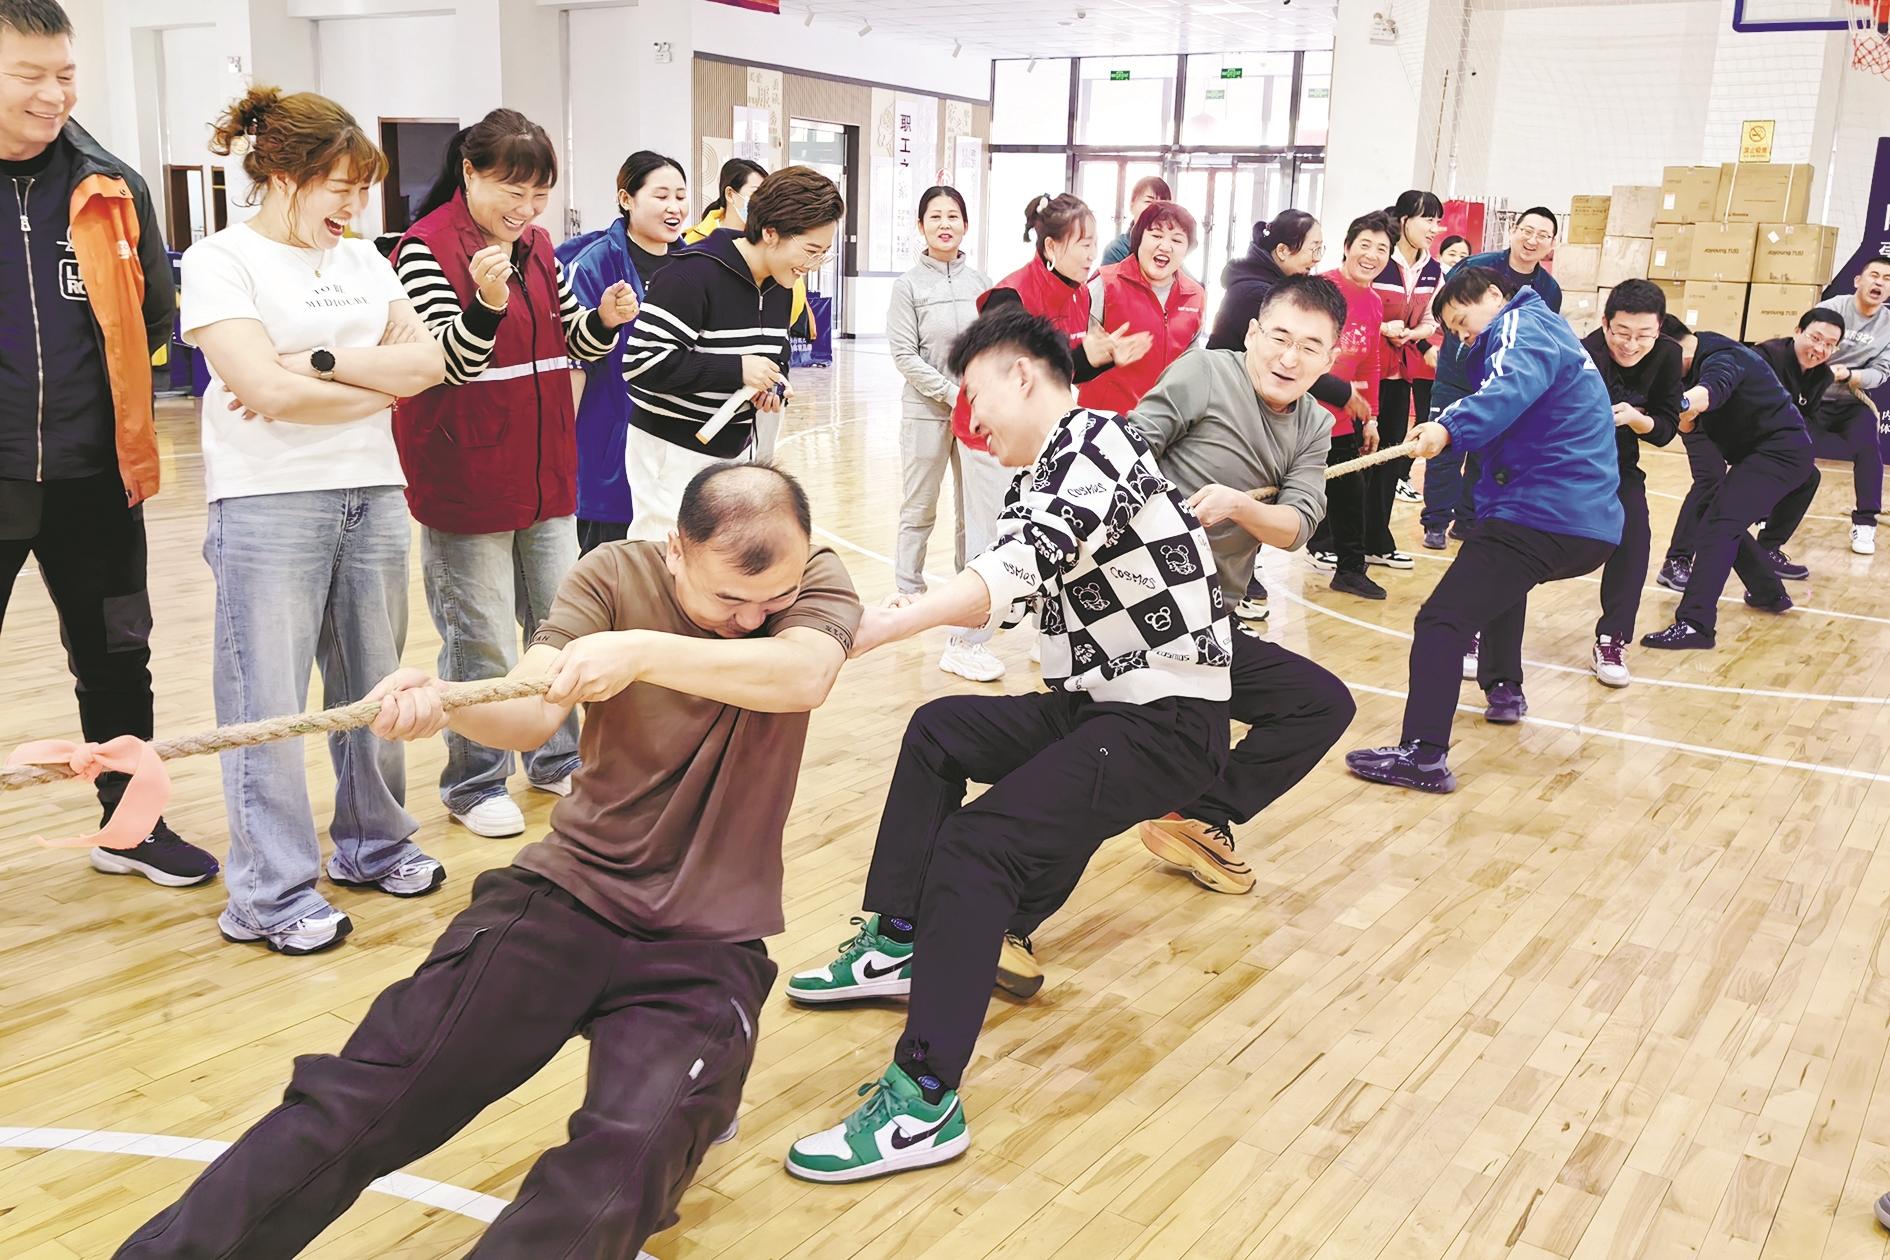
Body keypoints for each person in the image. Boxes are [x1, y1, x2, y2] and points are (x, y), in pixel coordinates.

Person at [115, 462, 862, 1260]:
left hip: (708, 945)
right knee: (368, 1100)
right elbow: (531, 709)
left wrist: (640, 652)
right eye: (729, 600)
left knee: (623, 1169)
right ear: (677, 549)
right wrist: (443, 704)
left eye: (771, 602)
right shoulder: (612, 575)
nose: (750, 620)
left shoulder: (812, 579)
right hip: (565, 897)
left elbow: (803, 674)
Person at [783, 306, 1231, 1183]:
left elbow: (1017, 567)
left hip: (1163, 720)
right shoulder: (1043, 477)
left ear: (1020, 374)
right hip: (1099, 708)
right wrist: (900, 612)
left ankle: (924, 1102)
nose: (971, 417)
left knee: (977, 847)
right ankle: (899, 939)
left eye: (975, 393)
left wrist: (885, 626)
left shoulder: (1098, 439)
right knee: (941, 731)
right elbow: (1009, 588)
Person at [182, 87, 447, 954]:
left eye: (363, 189)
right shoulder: (222, 260)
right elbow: (263, 390)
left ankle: (375, 845)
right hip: (266, 500)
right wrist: (372, 383)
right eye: (340, 187)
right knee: (265, 703)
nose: (355, 207)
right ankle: (269, 893)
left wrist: (321, 362)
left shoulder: (366, 259)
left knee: (376, 686)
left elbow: (428, 365)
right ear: (283, 176)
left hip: (373, 491)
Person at [0, 0, 218, 886]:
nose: (53, 95)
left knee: (119, 662)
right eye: (29, 75)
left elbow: (154, 315)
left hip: (97, 477)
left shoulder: (110, 187)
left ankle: (130, 828)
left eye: (65, 74)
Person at [392, 110, 638, 841]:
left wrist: (604, 319)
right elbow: (451, 362)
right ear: (469, 173)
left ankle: (555, 757)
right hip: (466, 473)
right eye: (512, 190)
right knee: (482, 641)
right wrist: (488, 302)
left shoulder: (537, 245)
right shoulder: (424, 248)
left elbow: (572, 343)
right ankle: (473, 782)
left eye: (539, 195)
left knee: (559, 629)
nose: (526, 209)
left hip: (545, 471)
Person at [1344, 265, 1618, 793]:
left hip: (1545, 512)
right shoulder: (1549, 330)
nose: (1464, 337)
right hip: (1581, 522)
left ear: (1494, 295)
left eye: (1462, 321)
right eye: (1453, 331)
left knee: (1441, 621)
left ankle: (1423, 754)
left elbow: (1510, 387)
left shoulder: (1520, 324)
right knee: (1498, 581)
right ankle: (1504, 687)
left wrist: (1449, 427)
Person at [619, 165, 843, 540]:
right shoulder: (690, 276)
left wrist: (772, 386)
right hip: (672, 451)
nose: (812, 265)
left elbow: (775, 354)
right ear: (770, 232)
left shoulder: (781, 285)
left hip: (733, 451)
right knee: (667, 560)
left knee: (722, 561)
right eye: (810, 251)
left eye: (823, 254)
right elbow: (640, 365)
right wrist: (737, 369)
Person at [1205, 208, 1360, 619]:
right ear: (1282, 251)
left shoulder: (1272, 288)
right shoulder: (1258, 295)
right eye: (1312, 249)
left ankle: (1235, 581)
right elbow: (1284, 364)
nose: (1316, 259)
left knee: (1254, 495)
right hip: (1228, 408)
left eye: (1321, 249)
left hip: (1258, 406)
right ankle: (1224, 588)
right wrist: (1343, 391)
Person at [886, 184, 1008, 683]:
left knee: (973, 513)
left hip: (976, 415)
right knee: (919, 507)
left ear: (965, 225)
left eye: (953, 215)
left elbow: (994, 345)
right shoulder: (908, 286)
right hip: (926, 412)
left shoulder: (982, 282)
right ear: (920, 226)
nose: (944, 224)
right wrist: (951, 392)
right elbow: (903, 354)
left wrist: (980, 395)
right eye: (935, 216)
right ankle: (906, 594)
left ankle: (965, 597)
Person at [1638, 318, 1816, 650]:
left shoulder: (1723, 356)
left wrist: (1678, 403)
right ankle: (1768, 593)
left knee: (1718, 525)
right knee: (1714, 514)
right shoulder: (1685, 370)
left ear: (1670, 347)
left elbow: (1711, 390)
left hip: (1781, 453)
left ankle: (1696, 624)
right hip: (1758, 455)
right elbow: (1690, 426)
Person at [559, 150, 690, 553]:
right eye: (661, 196)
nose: (674, 207)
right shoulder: (593, 263)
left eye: (681, 196)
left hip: (677, 453)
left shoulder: (696, 266)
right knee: (608, 574)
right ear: (626, 199)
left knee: (669, 571)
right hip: (609, 457)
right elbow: (573, 357)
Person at [1420, 208, 1563, 554]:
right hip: (1455, 377)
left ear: (1551, 244)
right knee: (1444, 448)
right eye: (1526, 230)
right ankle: (1436, 521)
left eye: (1542, 235)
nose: (1532, 240)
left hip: (1500, 381)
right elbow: (1445, 310)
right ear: (1513, 230)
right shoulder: (1476, 267)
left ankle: (1468, 520)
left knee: (1486, 455)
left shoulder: (1549, 289)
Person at [1578, 280, 1682, 687]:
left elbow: (1666, 427)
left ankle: (1612, 639)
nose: (1632, 345)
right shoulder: (1583, 353)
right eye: (1622, 332)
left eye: (1644, 335)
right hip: (1566, 462)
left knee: (1635, 537)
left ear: (1659, 330)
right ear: (1605, 323)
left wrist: (1640, 420)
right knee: (1527, 542)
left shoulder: (1668, 354)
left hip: (1620, 463)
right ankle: (1481, 628)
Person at [685, 157, 816, 458]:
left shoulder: (780, 255)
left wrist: (775, 376)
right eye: (756, 194)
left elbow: (785, 326)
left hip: (760, 393)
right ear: (731, 195)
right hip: (704, 414)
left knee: (760, 465)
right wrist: (738, 367)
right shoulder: (695, 249)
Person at [1308, 211, 1394, 600]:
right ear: (1346, 247)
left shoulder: (1374, 302)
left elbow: (1370, 361)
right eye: (1365, 245)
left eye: (1382, 249)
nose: (1371, 255)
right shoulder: (1321, 289)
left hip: (1343, 418)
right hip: (1301, 412)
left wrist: (1371, 417)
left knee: (1349, 496)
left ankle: (1350, 570)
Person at [1078, 199, 1206, 414]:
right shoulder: (1106, 284)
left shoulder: (1194, 295)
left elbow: (1191, 367)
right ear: (1139, 239)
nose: (1165, 246)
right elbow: (1070, 358)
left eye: (1177, 240)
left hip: (1162, 423)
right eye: (1156, 235)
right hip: (1104, 421)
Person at [1372, 190, 1443, 539]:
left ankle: (1377, 537)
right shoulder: (1379, 259)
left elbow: (1432, 318)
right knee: (1356, 452)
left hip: (1402, 372)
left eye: (1437, 221)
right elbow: (1355, 307)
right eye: (1427, 219)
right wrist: (1383, 328)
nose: (1434, 228)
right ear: (1404, 220)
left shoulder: (1433, 269)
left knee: (1390, 452)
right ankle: (1333, 540)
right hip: (1367, 369)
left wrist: (1415, 333)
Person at [1813, 254, 1890, 555]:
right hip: (1812, 398)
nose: (1879, 283)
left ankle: (1865, 523)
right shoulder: (1832, 309)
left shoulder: (1888, 326)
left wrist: (1850, 375)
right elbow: (1804, 346)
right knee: (1790, 451)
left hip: (1851, 401)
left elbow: (1881, 372)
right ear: (1858, 281)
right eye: (1875, 275)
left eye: (1887, 280)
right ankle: (1767, 512)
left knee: (1869, 449)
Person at [1099, 173, 1171, 266]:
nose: (1156, 209)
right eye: (1148, 201)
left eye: (1163, 203)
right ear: (1132, 205)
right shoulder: (1117, 250)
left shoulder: (1170, 248)